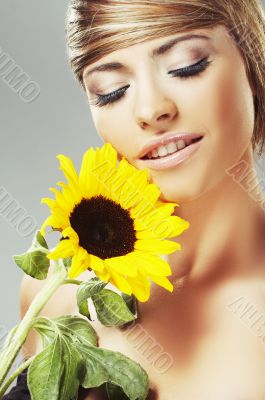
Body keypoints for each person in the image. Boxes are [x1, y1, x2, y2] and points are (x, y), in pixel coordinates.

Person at [5, 0, 265, 399]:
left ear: (252, 61)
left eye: (187, 65)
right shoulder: (56, 291)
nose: (151, 110)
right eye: (111, 92)